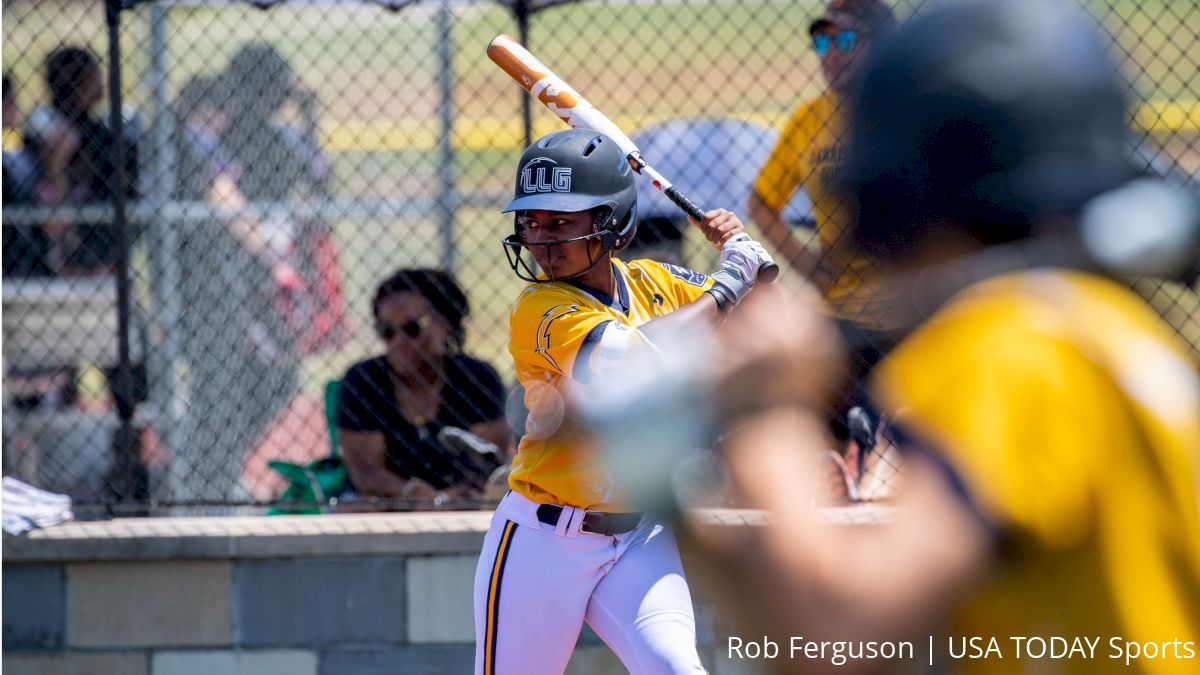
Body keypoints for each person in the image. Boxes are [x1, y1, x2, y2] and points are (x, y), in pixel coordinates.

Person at [673, 1, 1200, 673]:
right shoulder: (1105, 328)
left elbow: (838, 635)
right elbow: (804, 633)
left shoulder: (1013, 346)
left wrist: (764, 411)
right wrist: (664, 482)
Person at [473, 128, 776, 674]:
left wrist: (742, 251)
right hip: (544, 543)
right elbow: (638, 358)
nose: (541, 238)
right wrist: (729, 282)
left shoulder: (655, 280)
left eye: (562, 221)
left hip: (639, 535)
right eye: (530, 221)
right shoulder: (538, 308)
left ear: (611, 222)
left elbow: (764, 321)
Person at [747, 0, 899, 461]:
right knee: (834, 447)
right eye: (822, 40)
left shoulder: (911, 110)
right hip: (842, 315)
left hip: (911, 309)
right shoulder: (809, 120)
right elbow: (761, 201)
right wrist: (806, 261)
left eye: (846, 39)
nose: (830, 52)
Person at [336, 269, 512, 502]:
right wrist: (416, 494)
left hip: (462, 499)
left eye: (412, 328)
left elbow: (485, 462)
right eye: (387, 331)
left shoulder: (477, 379)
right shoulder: (363, 381)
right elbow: (365, 473)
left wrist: (445, 499)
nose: (399, 341)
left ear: (446, 324)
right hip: (388, 501)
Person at [23, 45, 140, 275]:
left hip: (99, 235)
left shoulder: (100, 134)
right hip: (55, 238)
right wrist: (57, 160)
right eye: (90, 76)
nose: (99, 82)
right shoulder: (43, 130)